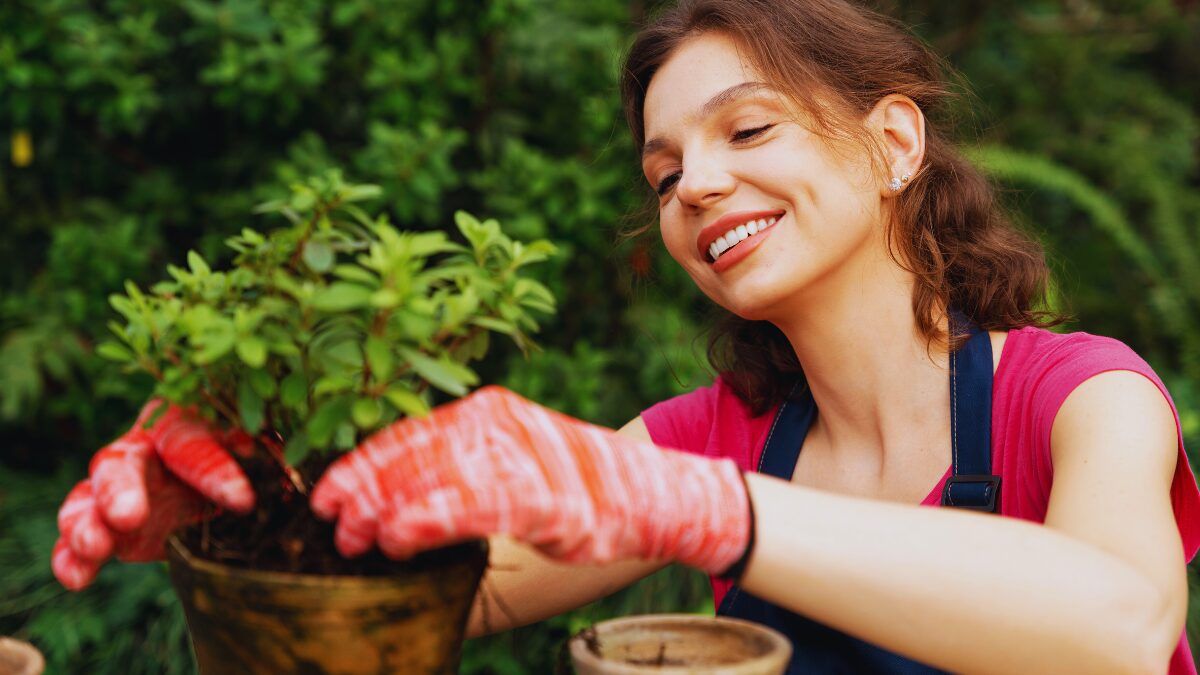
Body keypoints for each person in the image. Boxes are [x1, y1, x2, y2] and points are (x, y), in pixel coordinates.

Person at [53, 0, 1200, 672]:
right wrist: (247, 526)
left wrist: (715, 514)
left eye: (746, 127)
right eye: (663, 173)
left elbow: (1121, 627)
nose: (696, 185)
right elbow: (440, 597)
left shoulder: (1082, 396)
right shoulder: (700, 439)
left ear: (896, 142)